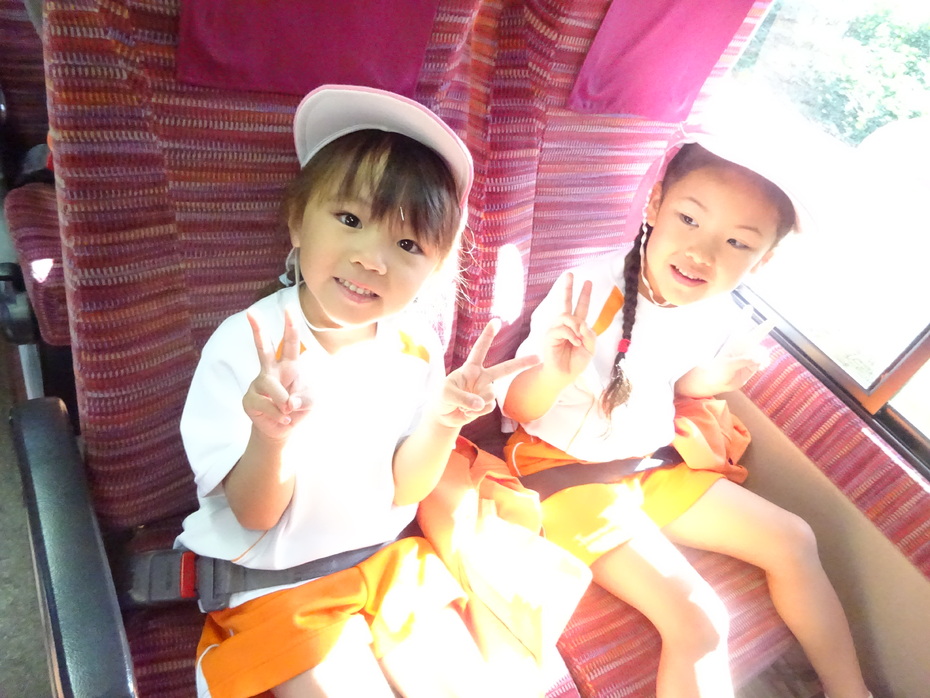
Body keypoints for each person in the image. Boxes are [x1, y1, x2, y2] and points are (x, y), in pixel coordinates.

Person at [176, 84, 539, 698]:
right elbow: (254, 515)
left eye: (408, 245)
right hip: (277, 586)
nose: (373, 260)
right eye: (350, 220)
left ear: (433, 269)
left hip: (382, 564)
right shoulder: (247, 344)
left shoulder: (416, 346)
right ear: (298, 221)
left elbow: (406, 489)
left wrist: (444, 420)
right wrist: (272, 436)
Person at [497, 133, 872, 698]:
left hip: (644, 466)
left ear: (763, 260)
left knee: (794, 538)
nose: (703, 252)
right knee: (700, 621)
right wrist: (554, 372)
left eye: (737, 242)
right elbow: (518, 407)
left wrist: (710, 381)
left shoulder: (711, 308)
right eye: (690, 220)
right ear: (655, 205)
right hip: (562, 472)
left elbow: (667, 378)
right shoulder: (588, 293)